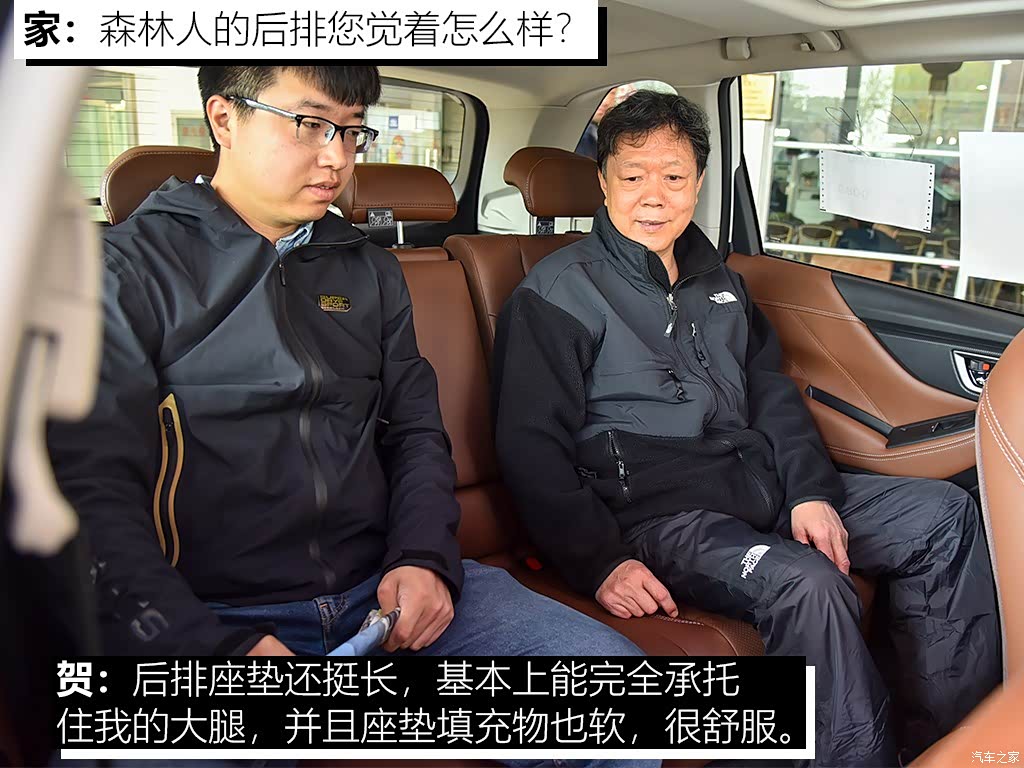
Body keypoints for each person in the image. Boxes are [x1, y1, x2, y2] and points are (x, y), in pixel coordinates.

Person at [47, 65, 654, 736]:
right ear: (224, 119)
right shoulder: (122, 271)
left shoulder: (368, 268)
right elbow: (90, 492)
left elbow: (416, 431)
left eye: (351, 131)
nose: (337, 157)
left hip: (382, 590)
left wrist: (423, 558)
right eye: (309, 125)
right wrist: (209, 645)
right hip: (214, 612)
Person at [492, 89, 1001, 767]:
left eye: (673, 177)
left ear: (699, 183)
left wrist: (809, 492)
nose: (653, 197)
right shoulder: (557, 293)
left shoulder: (721, 283)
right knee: (807, 584)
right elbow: (530, 445)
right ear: (603, 183)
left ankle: (959, 748)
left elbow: (771, 396)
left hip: (756, 482)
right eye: (632, 176)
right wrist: (599, 561)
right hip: (659, 514)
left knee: (941, 515)